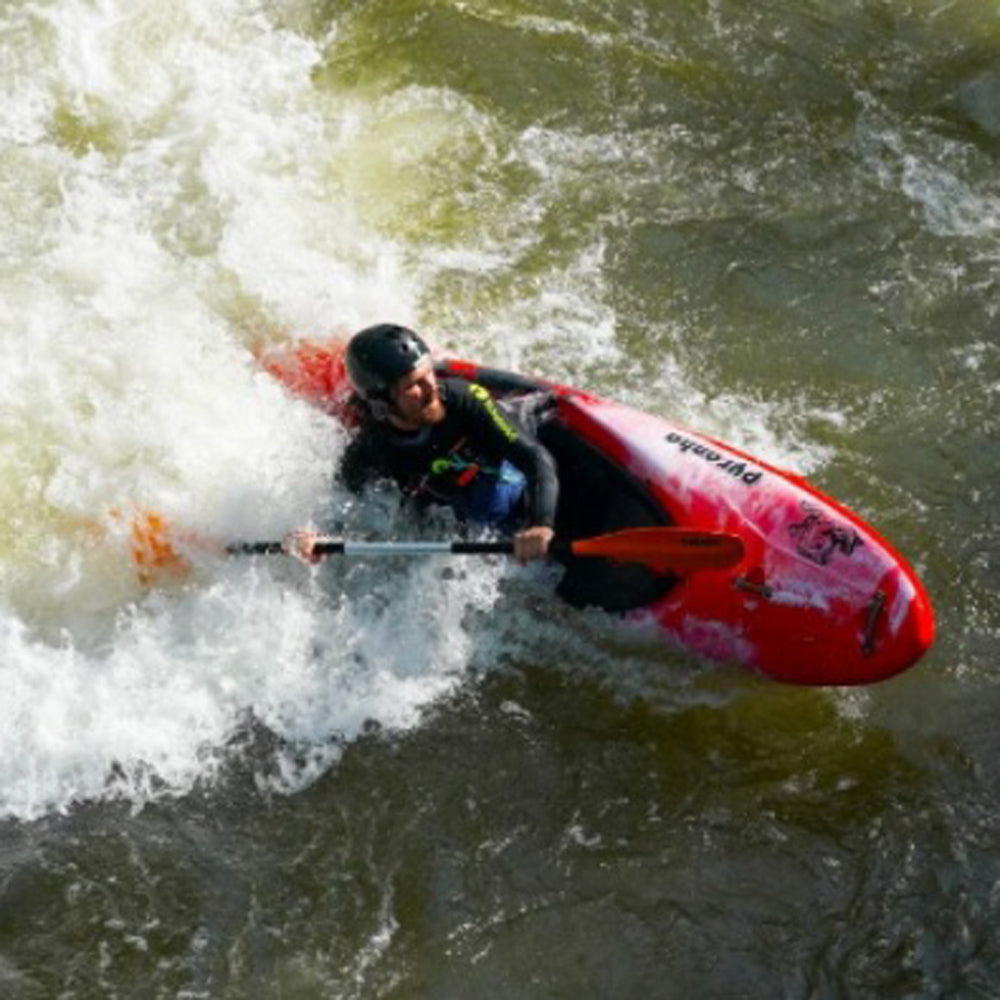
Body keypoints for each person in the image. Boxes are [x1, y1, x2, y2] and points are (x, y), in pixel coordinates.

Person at [285, 323, 559, 564]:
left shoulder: (465, 398)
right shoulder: (370, 448)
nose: (431, 389)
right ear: (383, 404)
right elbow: (341, 505)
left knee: (493, 500)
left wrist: (541, 525)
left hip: (499, 490)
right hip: (444, 513)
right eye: (412, 385)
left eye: (428, 373)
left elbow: (534, 457)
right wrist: (315, 539)